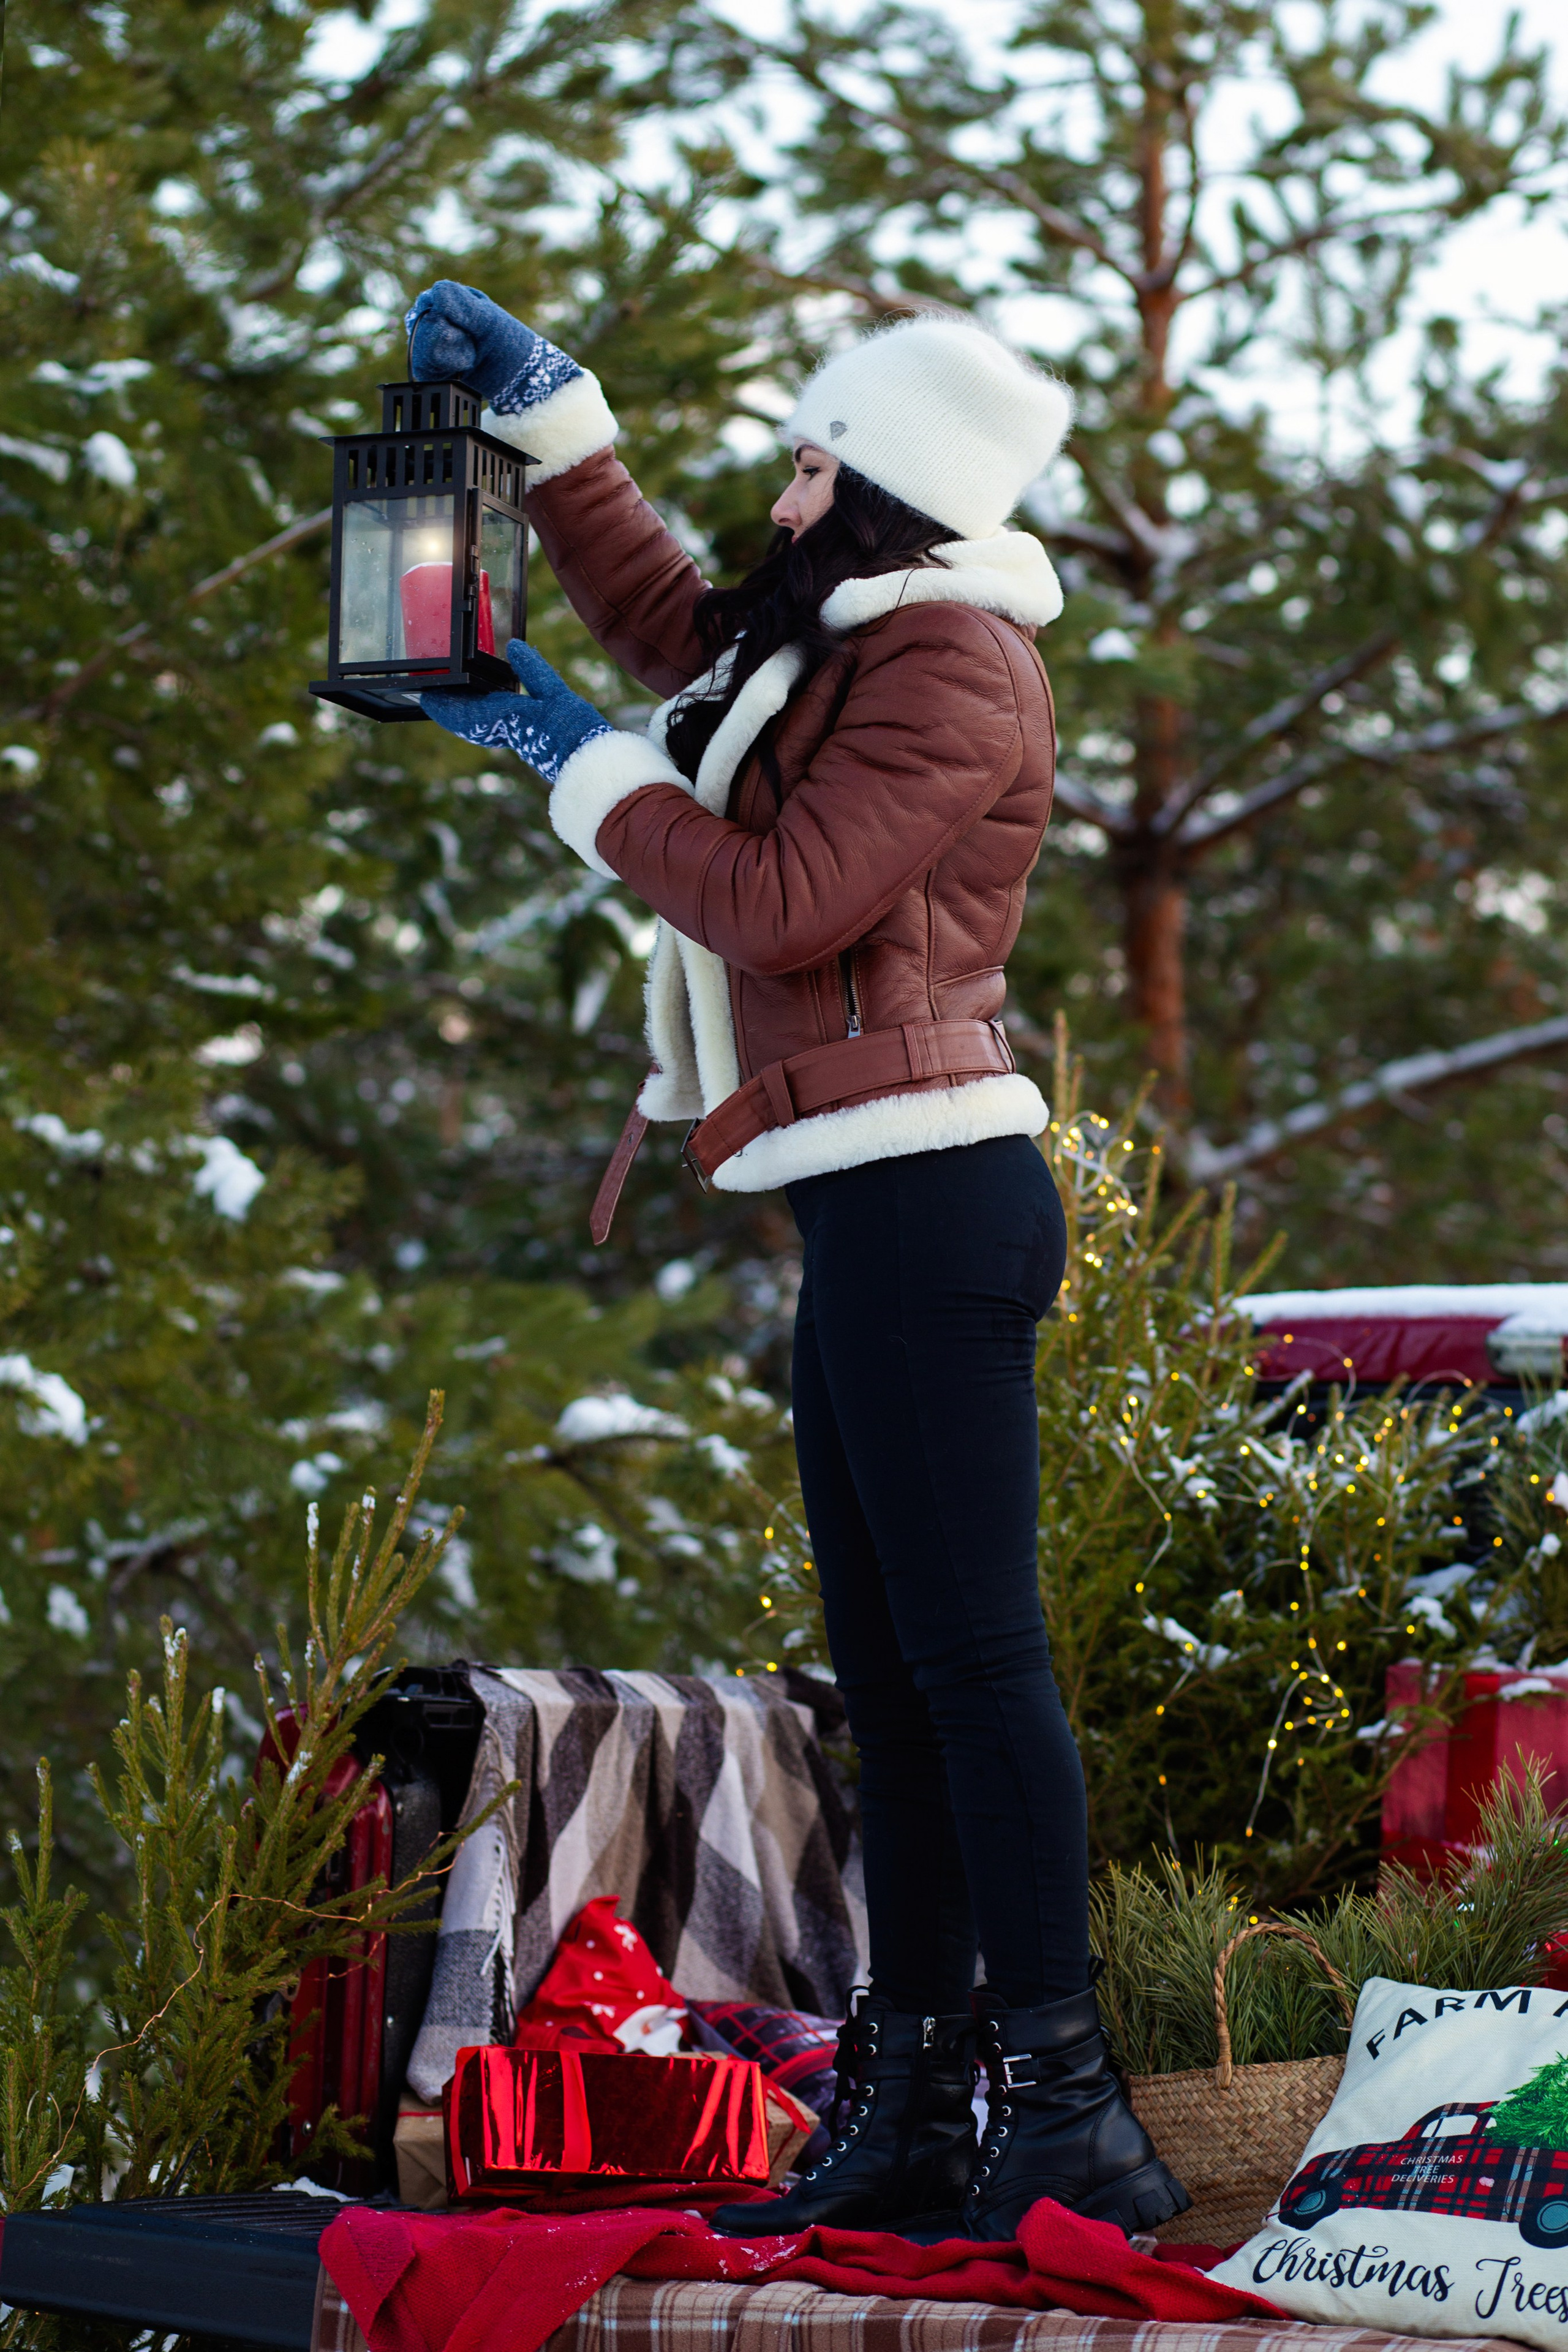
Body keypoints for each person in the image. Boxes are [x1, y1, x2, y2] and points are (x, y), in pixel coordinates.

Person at [406, 282, 1188, 2245]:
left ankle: (1071, 2112)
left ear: (890, 489)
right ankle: (914, 2104)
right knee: (898, 1692)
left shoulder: (958, 668)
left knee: (978, 1673)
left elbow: (778, 904)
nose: (783, 496)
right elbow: (691, 641)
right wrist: (559, 432)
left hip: (935, 1203)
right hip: (863, 1202)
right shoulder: (844, 640)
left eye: (814, 465)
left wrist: (567, 756)